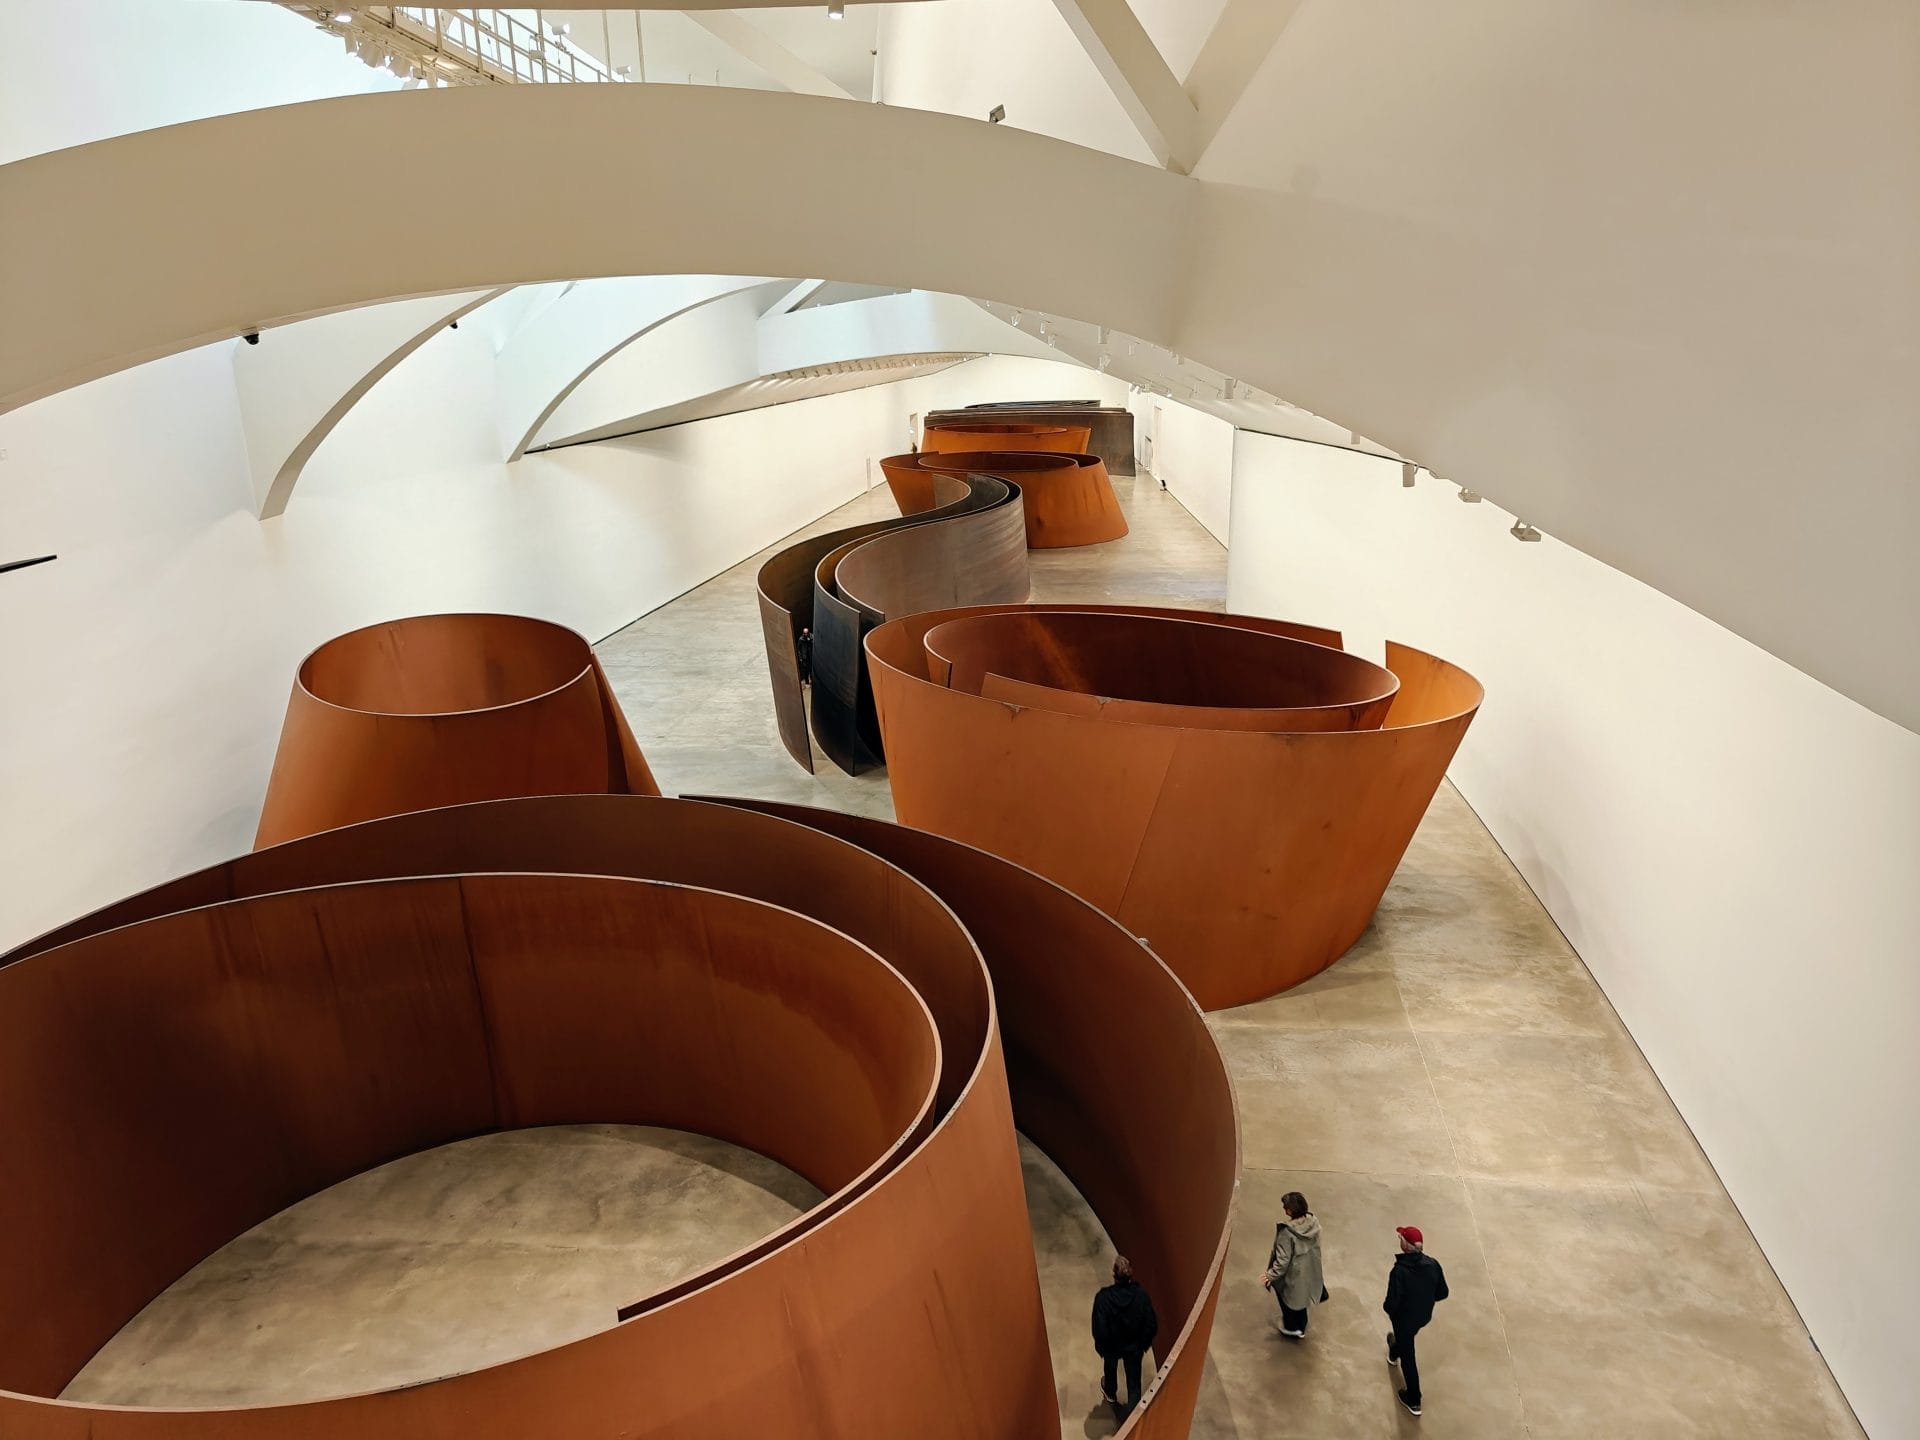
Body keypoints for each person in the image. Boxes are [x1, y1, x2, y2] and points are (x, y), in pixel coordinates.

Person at [1382, 1224, 1448, 1418]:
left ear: (1406, 1246)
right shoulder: (1433, 1264)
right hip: (1422, 1317)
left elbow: (1391, 1303)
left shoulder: (1399, 1271)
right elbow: (1443, 1293)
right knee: (1404, 1340)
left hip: (1404, 1320)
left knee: (1408, 1357)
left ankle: (1414, 1399)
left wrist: (1391, 1311)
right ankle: (1394, 1350)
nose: (1399, 1240)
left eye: (1401, 1238)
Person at [1091, 1254, 1158, 1419]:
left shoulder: (1103, 1298)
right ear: (1131, 1274)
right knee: (1134, 1383)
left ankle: (1110, 1391)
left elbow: (1099, 1329)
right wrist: (1142, 1344)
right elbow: (1151, 1324)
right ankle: (1133, 1421)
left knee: (1110, 1367)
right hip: (1133, 1348)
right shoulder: (1141, 1296)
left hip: (1112, 1347)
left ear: (1114, 1274)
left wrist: (1103, 1348)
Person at [1260, 1190, 1325, 1337]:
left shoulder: (1287, 1233)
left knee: (1288, 1300)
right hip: (1309, 1270)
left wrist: (1270, 1275)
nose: (1284, 1210)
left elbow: (1282, 1262)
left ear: (1290, 1211)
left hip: (1294, 1275)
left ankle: (1292, 1328)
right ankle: (1302, 1325)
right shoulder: (1313, 1223)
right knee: (1302, 1299)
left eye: (1285, 1207)